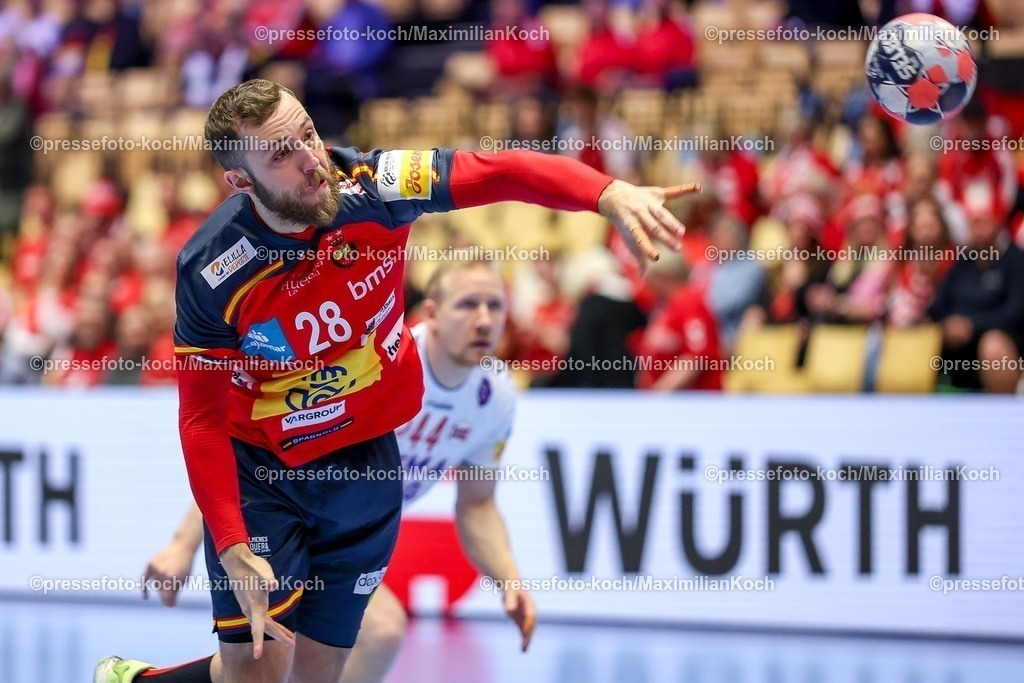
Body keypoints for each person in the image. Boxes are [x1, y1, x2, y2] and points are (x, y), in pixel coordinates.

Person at [94, 78, 694, 683]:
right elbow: (200, 418)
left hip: (368, 466)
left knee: (317, 676)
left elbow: (496, 171)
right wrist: (224, 544)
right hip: (266, 473)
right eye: (281, 154)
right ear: (241, 182)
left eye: (308, 133)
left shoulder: (374, 184)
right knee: (256, 673)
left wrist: (607, 192)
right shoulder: (212, 270)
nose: (312, 160)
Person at [97, 260, 531, 683]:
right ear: (431, 313)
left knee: (307, 658)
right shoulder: (387, 363)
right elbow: (255, 453)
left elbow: (477, 506)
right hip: (288, 507)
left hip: (346, 534)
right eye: (467, 304)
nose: (483, 319)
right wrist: (181, 545)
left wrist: (508, 580)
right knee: (304, 652)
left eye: (495, 306)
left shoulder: (496, 396)